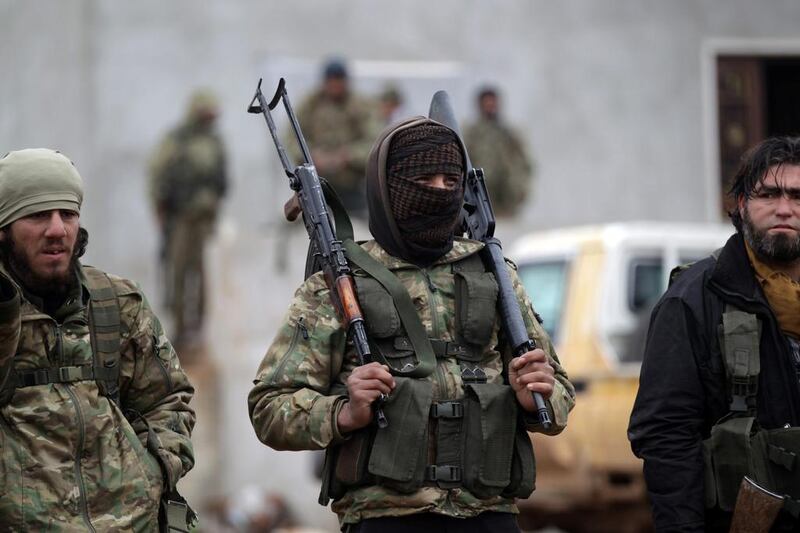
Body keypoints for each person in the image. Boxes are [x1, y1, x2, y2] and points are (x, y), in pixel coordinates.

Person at [249, 118, 574, 532]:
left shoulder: (494, 274)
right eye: (423, 178)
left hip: (489, 514)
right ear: (387, 188)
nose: (439, 191)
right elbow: (268, 407)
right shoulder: (340, 283)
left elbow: (559, 394)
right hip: (386, 517)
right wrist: (343, 413)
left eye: (449, 180)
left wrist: (535, 394)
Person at [0, 148, 196, 530]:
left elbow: (169, 400)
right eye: (38, 214)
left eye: (68, 214)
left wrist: (151, 472)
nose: (57, 229)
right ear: (4, 228)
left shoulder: (115, 302)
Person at [628, 136, 800, 532]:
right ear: (741, 205)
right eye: (768, 195)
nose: (784, 209)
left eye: (796, 195)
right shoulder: (691, 301)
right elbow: (665, 437)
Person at [149, 88, 228, 345]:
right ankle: (181, 327)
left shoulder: (214, 142)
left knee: (205, 274)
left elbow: (221, 180)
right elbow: (158, 175)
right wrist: (160, 211)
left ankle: (200, 327)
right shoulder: (176, 140)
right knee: (179, 272)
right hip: (181, 218)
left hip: (205, 219)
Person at [294, 58, 379, 218]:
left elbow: (374, 142)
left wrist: (348, 155)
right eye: (331, 81)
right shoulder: (311, 104)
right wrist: (311, 156)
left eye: (338, 80)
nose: (335, 86)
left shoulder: (361, 105)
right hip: (316, 184)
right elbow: (292, 137)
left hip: (353, 184)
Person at [464, 87, 534, 218]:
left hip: (506, 196)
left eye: (493, 103)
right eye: (487, 104)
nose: (490, 107)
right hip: (481, 195)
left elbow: (525, 162)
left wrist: (521, 187)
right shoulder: (471, 133)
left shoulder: (509, 132)